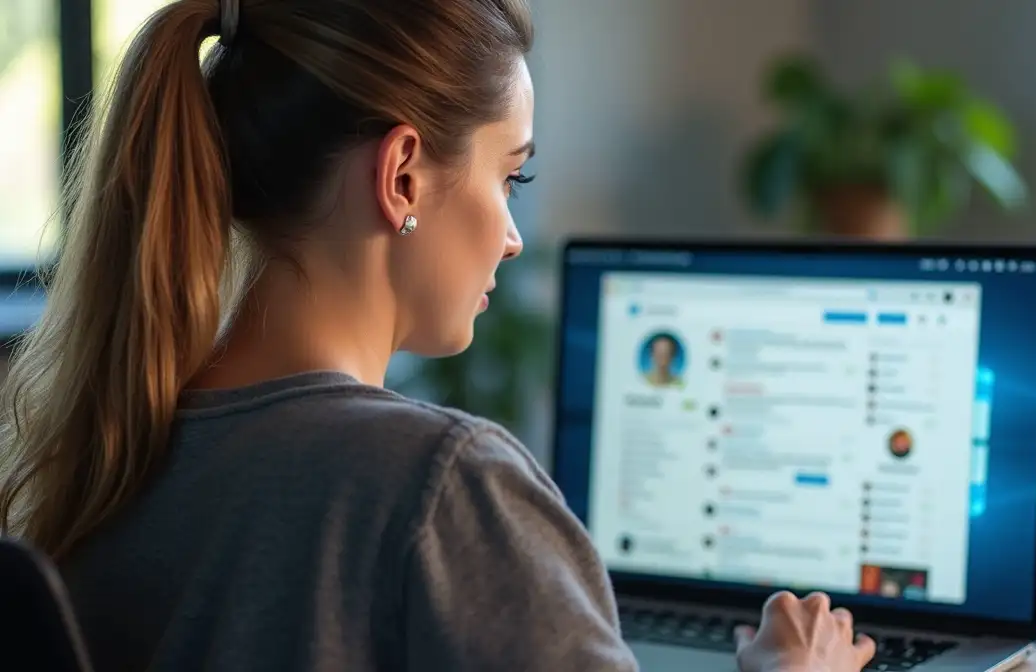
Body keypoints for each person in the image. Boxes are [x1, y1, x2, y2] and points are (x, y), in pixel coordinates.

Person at [0, 0, 875, 670]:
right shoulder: (444, 486)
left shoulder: (106, 457)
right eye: (511, 174)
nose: (513, 235)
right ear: (403, 177)